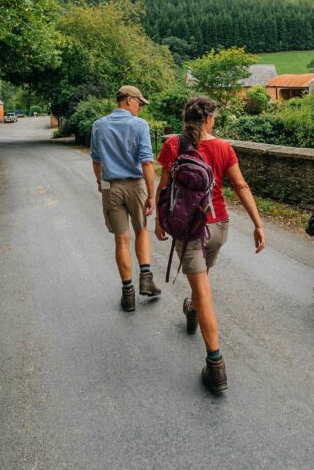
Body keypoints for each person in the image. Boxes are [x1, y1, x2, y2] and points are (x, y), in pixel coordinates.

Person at [154, 96, 266, 393]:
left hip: (189, 228)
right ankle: (192, 308)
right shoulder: (223, 148)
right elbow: (241, 186)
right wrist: (258, 224)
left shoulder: (173, 145)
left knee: (203, 292)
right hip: (218, 226)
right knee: (202, 283)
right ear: (210, 119)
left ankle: (216, 367)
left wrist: (157, 220)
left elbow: (164, 187)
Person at [90, 85, 161, 312]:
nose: (139, 107)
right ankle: (146, 279)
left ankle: (128, 294)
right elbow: (147, 162)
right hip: (136, 185)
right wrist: (151, 195)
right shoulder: (139, 125)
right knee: (141, 231)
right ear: (128, 100)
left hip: (112, 187)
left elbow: (96, 159)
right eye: (139, 103)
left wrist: (101, 183)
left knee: (121, 239)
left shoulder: (99, 125)